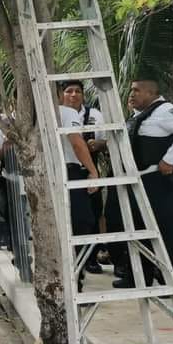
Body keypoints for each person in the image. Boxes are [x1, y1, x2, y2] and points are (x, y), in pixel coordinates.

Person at [110, 79, 173, 290]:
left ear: (151, 92)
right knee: (137, 229)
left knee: (165, 230)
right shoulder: (138, 115)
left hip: (157, 181)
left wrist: (170, 158)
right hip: (137, 179)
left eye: (136, 91)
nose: (131, 94)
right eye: (131, 90)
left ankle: (172, 281)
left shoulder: (166, 110)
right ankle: (138, 277)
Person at [58, 86, 101, 287]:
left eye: (77, 91)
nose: (73, 95)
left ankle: (72, 274)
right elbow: (77, 143)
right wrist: (93, 171)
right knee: (81, 222)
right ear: (59, 94)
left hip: (50, 173)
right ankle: (76, 276)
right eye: (67, 91)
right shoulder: (66, 112)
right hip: (69, 171)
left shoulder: (37, 113)